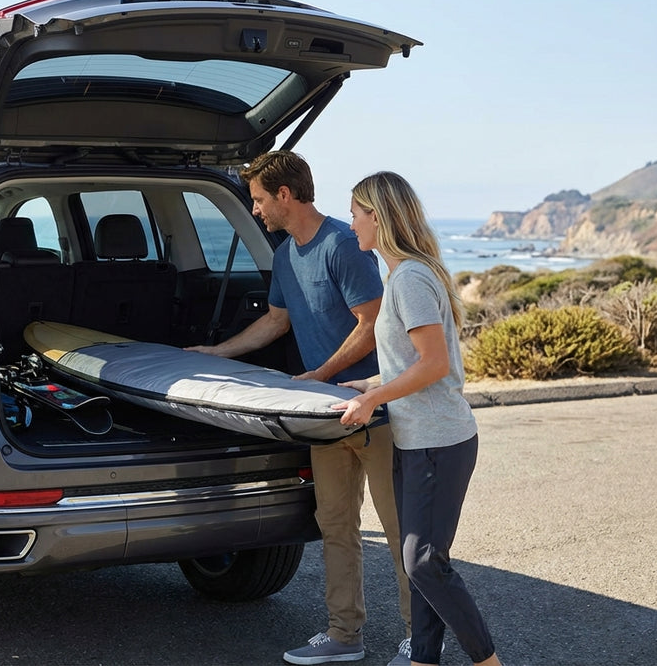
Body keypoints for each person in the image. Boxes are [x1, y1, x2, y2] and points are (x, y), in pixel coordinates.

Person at [187, 151, 412, 665]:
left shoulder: (343, 245)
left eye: (260, 199)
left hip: (374, 407)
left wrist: (320, 376)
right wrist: (216, 354)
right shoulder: (286, 254)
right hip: (323, 414)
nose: (257, 209)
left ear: (285, 195)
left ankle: (418, 638)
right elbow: (275, 321)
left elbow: (371, 322)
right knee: (335, 523)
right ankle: (344, 635)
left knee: (401, 529)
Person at [335, 171, 502, 666]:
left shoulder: (408, 277)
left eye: (356, 213)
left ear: (378, 217)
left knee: (424, 563)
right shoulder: (402, 274)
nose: (350, 225)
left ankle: (488, 662)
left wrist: (374, 398)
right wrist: (367, 386)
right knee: (424, 565)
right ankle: (423, 660)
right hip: (418, 440)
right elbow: (412, 362)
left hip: (438, 441)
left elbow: (435, 364)